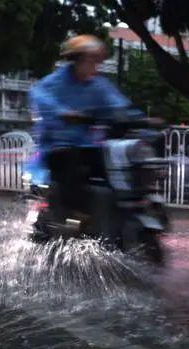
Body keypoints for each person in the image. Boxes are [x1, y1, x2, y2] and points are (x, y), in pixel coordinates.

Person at [27, 34, 139, 214]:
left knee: (118, 172)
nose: (96, 66)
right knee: (72, 173)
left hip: (89, 148)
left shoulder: (98, 84)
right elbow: (38, 95)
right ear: (77, 59)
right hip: (58, 149)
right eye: (92, 60)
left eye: (98, 61)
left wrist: (141, 119)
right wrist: (62, 112)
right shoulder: (55, 82)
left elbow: (118, 103)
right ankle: (75, 216)